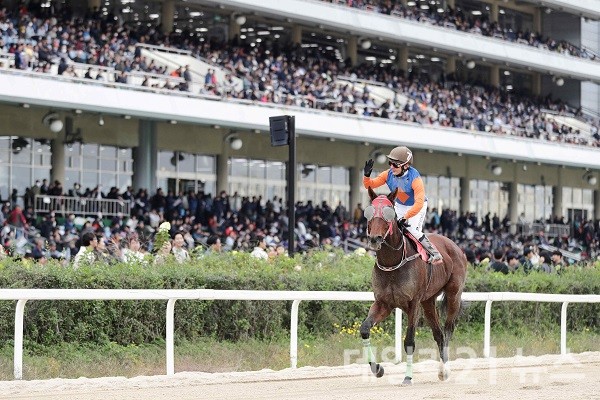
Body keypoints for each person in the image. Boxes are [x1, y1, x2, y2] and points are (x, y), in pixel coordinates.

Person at [363, 146, 443, 265]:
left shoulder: (415, 179)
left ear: (406, 166)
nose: (391, 167)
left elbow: (419, 203)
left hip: (416, 207)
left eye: (395, 165)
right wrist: (366, 176)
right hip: (399, 205)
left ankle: (435, 254)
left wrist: (406, 217)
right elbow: (369, 185)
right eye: (390, 163)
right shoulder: (388, 174)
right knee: (391, 227)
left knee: (412, 230)